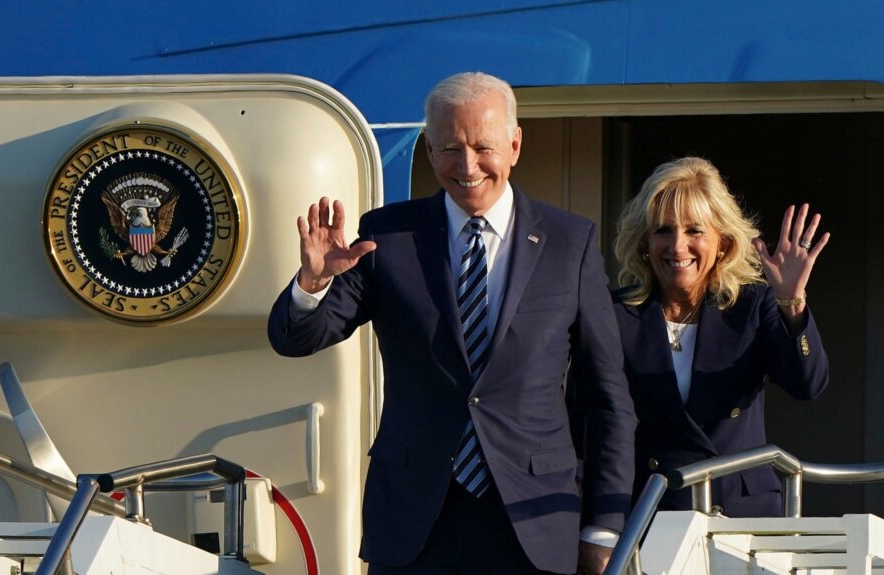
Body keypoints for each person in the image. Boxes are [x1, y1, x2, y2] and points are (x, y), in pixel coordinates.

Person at [268, 72, 635, 574]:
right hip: (415, 524)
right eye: (449, 149)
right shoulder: (387, 236)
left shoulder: (570, 245)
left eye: (483, 147)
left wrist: (604, 526)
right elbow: (300, 339)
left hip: (534, 524)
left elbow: (607, 401)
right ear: (427, 148)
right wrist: (312, 284)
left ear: (515, 144)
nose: (467, 167)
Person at [611, 156, 829, 517]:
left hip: (741, 517)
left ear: (722, 243)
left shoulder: (753, 305)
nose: (678, 246)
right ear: (645, 242)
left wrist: (792, 302)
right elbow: (590, 430)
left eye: (695, 231)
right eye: (664, 230)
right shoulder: (616, 315)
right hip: (652, 516)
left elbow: (808, 383)